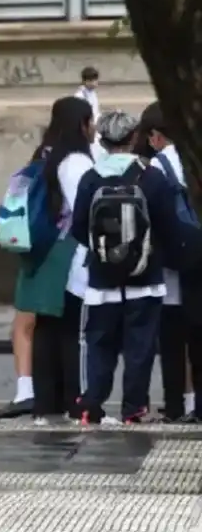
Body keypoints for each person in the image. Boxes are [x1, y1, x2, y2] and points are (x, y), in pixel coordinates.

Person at [71, 110, 202, 424]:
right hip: (146, 277)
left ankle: (93, 403)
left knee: (100, 343)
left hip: (102, 281)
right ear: (133, 138)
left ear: (101, 140)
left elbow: (78, 227)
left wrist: (104, 252)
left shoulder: (90, 178)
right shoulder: (150, 177)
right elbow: (168, 227)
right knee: (139, 347)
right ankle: (133, 409)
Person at [16, 96, 94, 425]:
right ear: (82, 124)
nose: (94, 129)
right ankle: (74, 400)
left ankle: (46, 403)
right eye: (90, 122)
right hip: (68, 255)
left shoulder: (46, 156)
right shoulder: (76, 163)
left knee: (47, 327)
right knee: (69, 330)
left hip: (43, 251)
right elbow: (86, 210)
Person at [141, 102, 202, 421]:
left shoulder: (160, 165)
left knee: (172, 341)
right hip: (198, 255)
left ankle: (175, 405)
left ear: (155, 136)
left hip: (172, 264)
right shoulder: (193, 158)